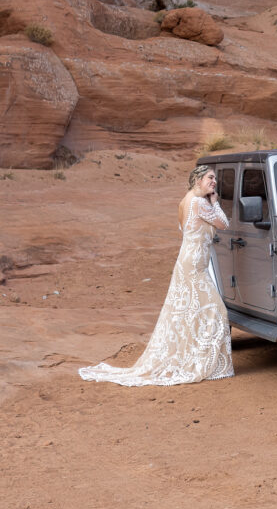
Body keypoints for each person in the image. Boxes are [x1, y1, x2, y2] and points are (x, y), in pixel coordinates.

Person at [79, 165, 234, 386]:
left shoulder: (184, 201)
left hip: (188, 262)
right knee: (216, 310)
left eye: (215, 179)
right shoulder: (200, 203)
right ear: (198, 179)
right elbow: (224, 224)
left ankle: (193, 359)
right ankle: (203, 364)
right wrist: (215, 201)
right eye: (210, 178)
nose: (214, 182)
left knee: (187, 312)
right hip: (194, 266)